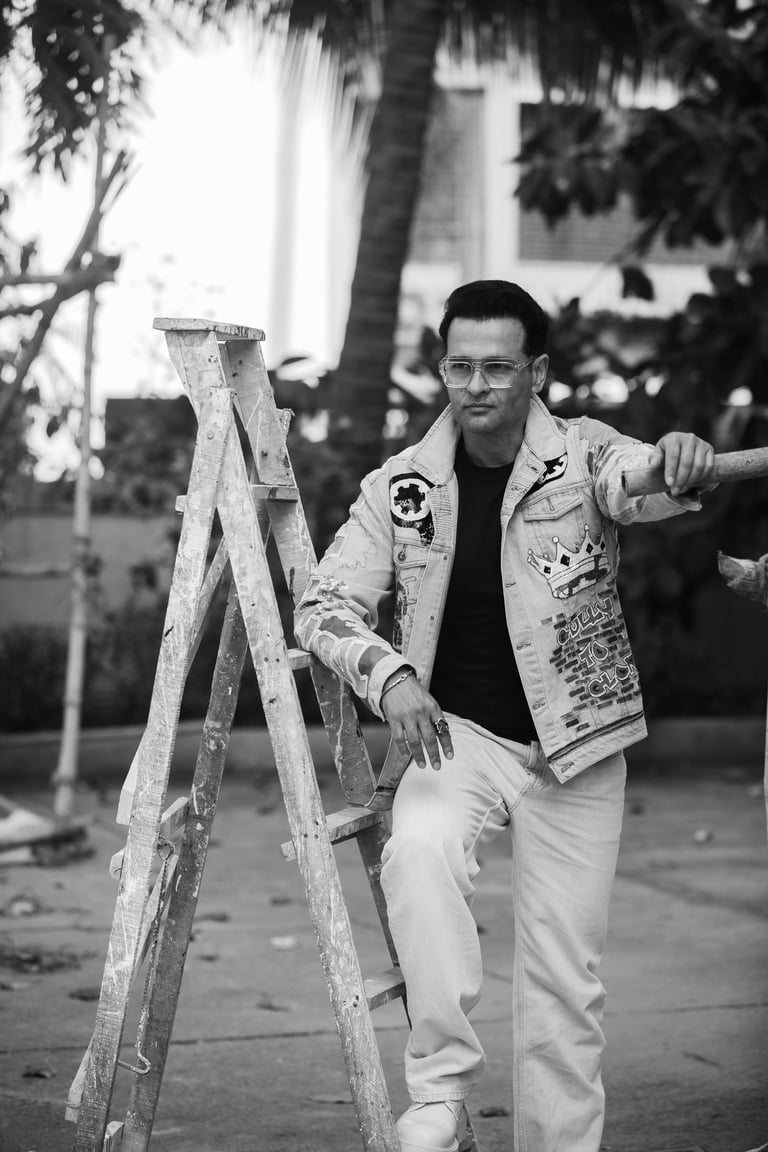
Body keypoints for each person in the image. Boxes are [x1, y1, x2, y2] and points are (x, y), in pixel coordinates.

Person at [294, 280, 715, 1152]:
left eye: (497, 367)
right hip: (458, 737)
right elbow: (322, 604)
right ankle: (442, 1095)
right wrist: (388, 675)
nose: (476, 385)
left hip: (579, 744)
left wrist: (675, 458)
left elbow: (637, 482)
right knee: (418, 849)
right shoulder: (401, 486)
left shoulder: (584, 453)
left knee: (566, 978)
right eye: (460, 367)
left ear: (537, 371)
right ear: (442, 368)